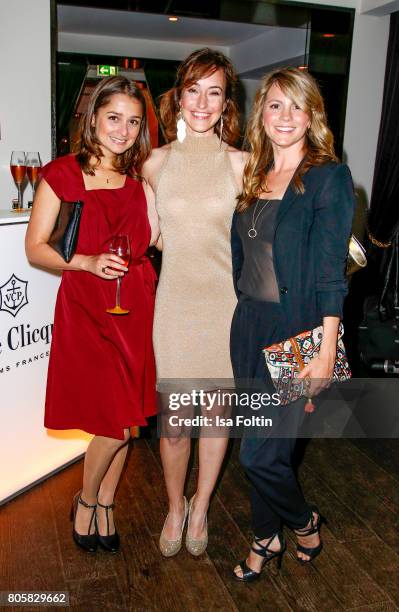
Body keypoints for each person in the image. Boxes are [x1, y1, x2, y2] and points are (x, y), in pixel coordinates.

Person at [230, 67, 355, 581]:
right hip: (248, 329)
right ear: (262, 112)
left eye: (296, 106)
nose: (284, 116)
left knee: (258, 456)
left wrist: (325, 350)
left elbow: (330, 270)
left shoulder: (328, 177)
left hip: (297, 334)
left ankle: (303, 522)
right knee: (264, 445)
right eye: (274, 105)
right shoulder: (252, 175)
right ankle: (265, 540)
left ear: (312, 116)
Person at [25, 76, 159, 554]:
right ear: (93, 118)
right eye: (114, 118)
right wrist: (84, 261)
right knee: (115, 422)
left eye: (133, 121)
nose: (123, 130)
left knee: (128, 419)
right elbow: (35, 248)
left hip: (136, 305)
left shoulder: (142, 182)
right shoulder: (62, 174)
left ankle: (105, 501)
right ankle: (85, 500)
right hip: (87, 305)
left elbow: (161, 240)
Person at [143, 48, 247, 557]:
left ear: (226, 103)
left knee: (215, 421)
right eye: (193, 90)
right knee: (176, 426)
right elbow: (153, 236)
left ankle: (201, 505)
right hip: (176, 309)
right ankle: (174, 506)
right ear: (178, 96)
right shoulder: (156, 163)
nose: (202, 103)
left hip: (227, 311)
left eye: (215, 93)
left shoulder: (241, 164)